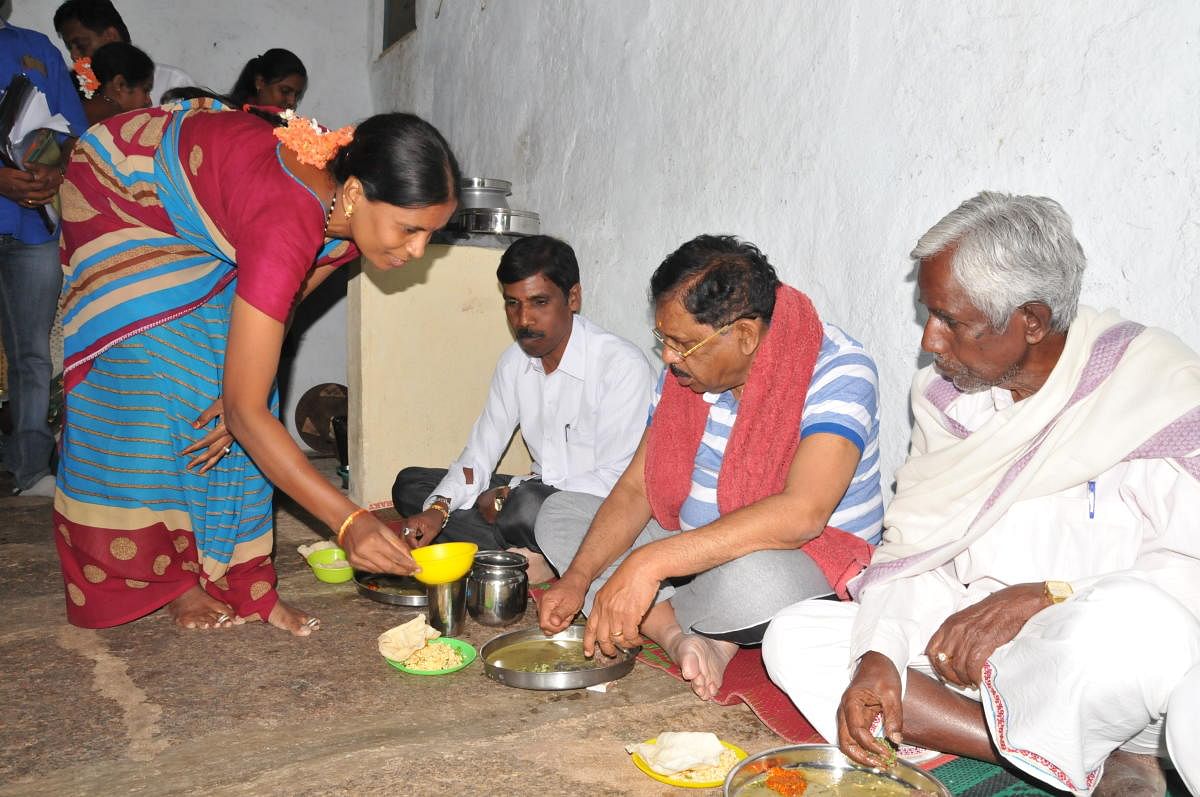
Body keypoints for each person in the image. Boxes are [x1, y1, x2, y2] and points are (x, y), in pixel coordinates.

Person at [762, 192, 1200, 796]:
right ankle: (1033, 753)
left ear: (1033, 321)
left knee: (1136, 627)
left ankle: (1081, 748)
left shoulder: (1150, 391)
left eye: (951, 321)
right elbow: (917, 551)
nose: (931, 343)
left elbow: (1188, 575)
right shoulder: (947, 399)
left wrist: (1049, 598)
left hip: (1094, 665)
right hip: (971, 657)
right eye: (929, 316)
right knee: (795, 634)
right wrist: (880, 658)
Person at [55, 98, 460, 636]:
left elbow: (282, 306)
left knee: (247, 395)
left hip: (205, 221)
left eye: (431, 234)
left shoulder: (345, 217)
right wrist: (349, 521)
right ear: (358, 192)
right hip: (121, 191)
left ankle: (243, 580)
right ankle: (171, 580)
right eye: (410, 229)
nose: (418, 250)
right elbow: (250, 397)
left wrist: (238, 398)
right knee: (166, 377)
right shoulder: (289, 218)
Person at [537, 234, 882, 701]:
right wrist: (578, 577)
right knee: (558, 514)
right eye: (665, 339)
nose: (667, 357)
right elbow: (638, 489)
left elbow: (803, 514)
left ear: (744, 335)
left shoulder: (838, 369)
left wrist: (647, 565)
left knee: (755, 584)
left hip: (796, 556)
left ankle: (663, 611)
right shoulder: (687, 372)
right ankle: (679, 633)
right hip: (689, 546)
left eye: (682, 344)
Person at [392, 234, 654, 584]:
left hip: (598, 509)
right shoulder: (515, 362)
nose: (523, 320)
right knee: (412, 486)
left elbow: (618, 481)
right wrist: (438, 510)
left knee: (526, 508)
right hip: (534, 495)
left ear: (572, 298)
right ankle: (525, 558)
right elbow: (480, 452)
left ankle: (525, 555)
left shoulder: (620, 365)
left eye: (538, 302)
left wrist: (510, 493)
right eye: (512, 304)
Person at [0, 19, 88, 498]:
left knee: (32, 354)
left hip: (32, 224)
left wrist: (50, 169)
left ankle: (32, 469)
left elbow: (72, 126)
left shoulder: (35, 48)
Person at [53, 0, 194, 102]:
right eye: (69, 47)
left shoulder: (173, 81)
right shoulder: (77, 94)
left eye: (81, 45)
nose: (74, 55)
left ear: (111, 36)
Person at [77, 41, 153, 124]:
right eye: (146, 90)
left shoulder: (77, 109)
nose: (149, 102)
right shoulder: (119, 123)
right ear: (120, 84)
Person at [228, 49, 306, 111]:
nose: (291, 102)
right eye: (285, 91)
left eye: (297, 95)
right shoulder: (231, 116)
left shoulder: (284, 125)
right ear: (260, 82)